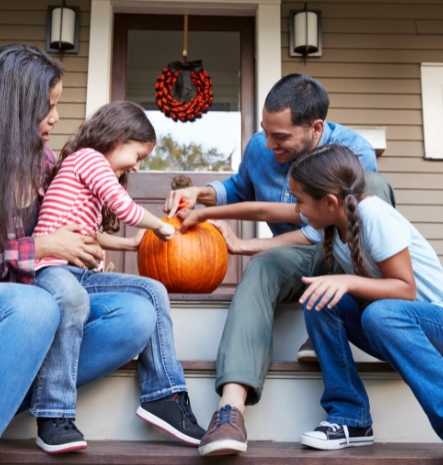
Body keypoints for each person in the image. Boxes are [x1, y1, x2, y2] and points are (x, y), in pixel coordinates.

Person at [0, 45, 151, 465]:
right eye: (48, 107)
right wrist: (39, 247)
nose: (56, 118)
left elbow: (62, 230)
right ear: (14, 107)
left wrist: (81, 244)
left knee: (136, 315)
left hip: (30, 307)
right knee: (36, 305)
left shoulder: (46, 162)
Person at [164, 73, 395, 456]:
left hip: (341, 253)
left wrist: (246, 244)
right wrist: (200, 194)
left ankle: (338, 314)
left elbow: (321, 229)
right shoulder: (261, 146)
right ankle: (230, 410)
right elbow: (240, 189)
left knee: (375, 184)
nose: (269, 145)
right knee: (262, 266)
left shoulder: (353, 151)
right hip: (294, 254)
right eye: (265, 133)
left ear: (316, 128)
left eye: (281, 138)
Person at [289, 144, 443, 465]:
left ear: (329, 202)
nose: (297, 210)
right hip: (388, 326)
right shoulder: (333, 223)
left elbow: (405, 290)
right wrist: (226, 229)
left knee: (379, 312)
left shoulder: (374, 214)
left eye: (300, 201)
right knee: (319, 299)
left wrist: (347, 281)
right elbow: (266, 212)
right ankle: (350, 418)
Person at [30, 100, 204, 452]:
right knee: (71, 298)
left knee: (153, 291)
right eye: (138, 156)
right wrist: (159, 226)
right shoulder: (89, 158)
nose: (137, 167)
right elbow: (122, 206)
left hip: (81, 272)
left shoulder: (89, 170)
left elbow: (96, 234)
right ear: (120, 137)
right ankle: (54, 415)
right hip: (50, 268)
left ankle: (164, 395)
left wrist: (131, 242)